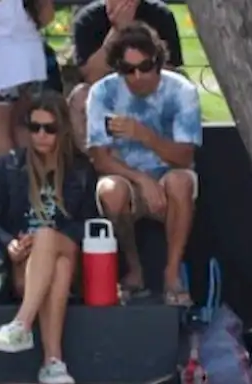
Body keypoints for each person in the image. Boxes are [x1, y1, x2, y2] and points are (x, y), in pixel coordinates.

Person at [0, 92, 97, 384]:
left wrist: (49, 239)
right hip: (30, 263)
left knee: (48, 236)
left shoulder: (80, 170)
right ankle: (53, 362)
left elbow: (86, 224)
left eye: (50, 128)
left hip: (71, 251)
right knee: (56, 268)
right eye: (35, 128)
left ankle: (21, 324)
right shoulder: (9, 166)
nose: (42, 135)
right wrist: (10, 243)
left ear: (63, 130)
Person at [86, 22, 201, 306]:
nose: (137, 76)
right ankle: (134, 271)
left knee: (180, 181)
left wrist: (144, 135)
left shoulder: (181, 91)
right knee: (111, 189)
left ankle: (172, 274)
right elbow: (100, 159)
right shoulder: (102, 93)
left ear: (158, 62)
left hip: (170, 175)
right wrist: (141, 179)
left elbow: (185, 156)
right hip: (128, 179)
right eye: (128, 69)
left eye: (145, 66)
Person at [68, 0, 183, 150]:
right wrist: (117, 31)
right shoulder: (88, 18)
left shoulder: (160, 15)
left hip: (149, 89)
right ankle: (95, 161)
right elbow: (91, 75)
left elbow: (170, 71)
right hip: (108, 93)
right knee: (80, 96)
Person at [0, 0, 54, 161]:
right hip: (33, 65)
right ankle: (30, 178)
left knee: (0, 130)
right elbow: (47, 17)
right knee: (24, 126)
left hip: (1, 65)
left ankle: (7, 180)